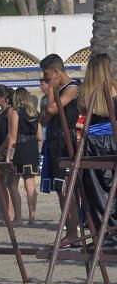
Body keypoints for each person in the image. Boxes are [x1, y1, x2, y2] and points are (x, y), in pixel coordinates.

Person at [39, 54, 81, 242]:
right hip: (54, 141)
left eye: (47, 76)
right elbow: (44, 118)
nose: (46, 80)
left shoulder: (72, 87)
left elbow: (52, 110)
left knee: (67, 188)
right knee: (60, 188)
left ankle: (73, 232)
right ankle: (69, 231)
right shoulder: (56, 90)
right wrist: (51, 92)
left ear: (57, 72)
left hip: (67, 142)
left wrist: (51, 90)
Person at [77, 54, 117, 242]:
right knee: (113, 187)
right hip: (113, 140)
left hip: (92, 141)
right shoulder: (115, 88)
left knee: (95, 189)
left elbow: (82, 113)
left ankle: (102, 233)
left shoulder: (85, 91)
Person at [11, 87, 41, 224]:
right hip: (33, 148)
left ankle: (18, 217)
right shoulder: (35, 113)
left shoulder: (16, 113)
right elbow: (40, 136)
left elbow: (12, 136)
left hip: (21, 149)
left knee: (12, 184)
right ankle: (32, 217)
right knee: (30, 184)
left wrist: (8, 156)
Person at [0, 85, 17, 222]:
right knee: (0, 183)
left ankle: (10, 215)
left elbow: (10, 134)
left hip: (4, 150)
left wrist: (2, 152)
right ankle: (7, 213)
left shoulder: (10, 111)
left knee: (7, 183)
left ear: (4, 98)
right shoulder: (0, 113)